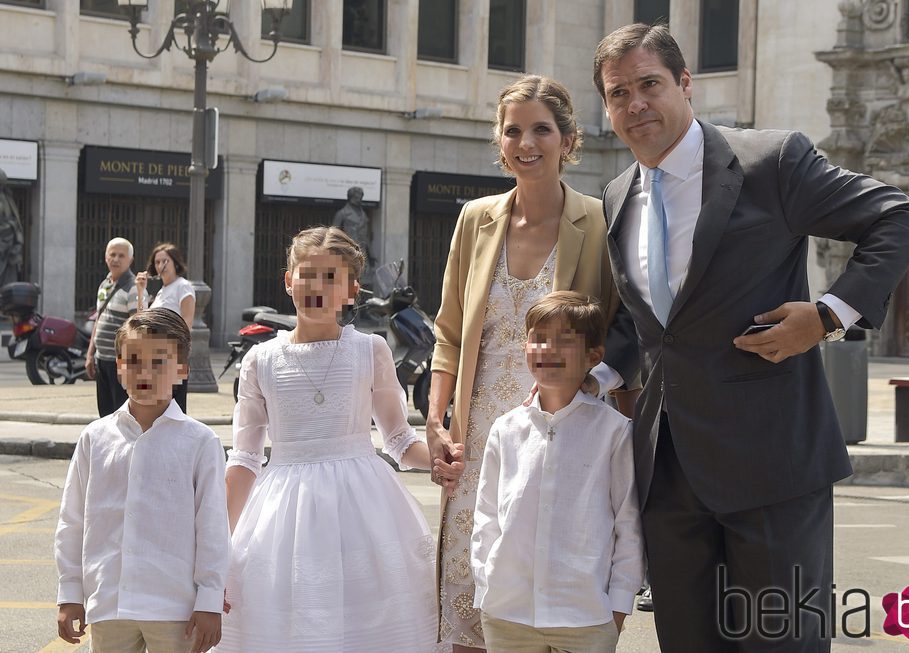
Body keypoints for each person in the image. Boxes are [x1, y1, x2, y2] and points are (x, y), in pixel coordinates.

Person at [593, 23, 909, 652]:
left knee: (783, 643)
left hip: (772, 464)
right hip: (669, 474)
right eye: (618, 93)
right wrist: (593, 375)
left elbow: (899, 218)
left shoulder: (769, 162)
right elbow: (647, 326)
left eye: (649, 84)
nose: (635, 104)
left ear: (685, 84)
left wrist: (826, 315)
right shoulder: (617, 196)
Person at [427, 74, 625, 652]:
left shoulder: (601, 220)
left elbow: (620, 331)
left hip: (563, 432)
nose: (526, 143)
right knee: (466, 597)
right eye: (513, 131)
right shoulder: (475, 218)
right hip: (479, 431)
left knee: (543, 595)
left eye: (542, 129)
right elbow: (448, 333)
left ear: (568, 139)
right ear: (500, 141)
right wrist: (437, 424)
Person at [217, 226, 462, 653]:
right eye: (307, 274)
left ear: (351, 289)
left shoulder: (370, 350)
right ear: (288, 280)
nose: (317, 287)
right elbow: (244, 459)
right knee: (289, 623)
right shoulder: (261, 360)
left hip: (364, 511)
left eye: (331, 277)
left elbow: (400, 441)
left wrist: (438, 458)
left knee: (366, 629)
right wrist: (215, 549)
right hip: (281, 515)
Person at [471, 291, 644, 653]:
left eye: (564, 341)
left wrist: (617, 608)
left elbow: (628, 525)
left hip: (585, 615)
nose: (548, 349)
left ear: (593, 356)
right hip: (508, 613)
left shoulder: (613, 431)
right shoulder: (505, 428)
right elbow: (486, 517)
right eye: (538, 339)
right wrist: (486, 585)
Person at [55, 308, 229, 653]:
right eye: (133, 360)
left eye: (159, 361)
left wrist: (209, 599)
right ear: (119, 366)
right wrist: (70, 592)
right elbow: (72, 521)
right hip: (109, 602)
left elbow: (212, 527)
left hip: (175, 606)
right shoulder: (95, 438)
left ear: (182, 369)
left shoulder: (200, 442)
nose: (144, 372)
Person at [135, 243, 196, 412]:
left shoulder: (183, 286)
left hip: (172, 355)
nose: (161, 265)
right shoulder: (162, 290)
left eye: (165, 261)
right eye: (157, 262)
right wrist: (141, 291)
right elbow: (142, 317)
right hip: (154, 355)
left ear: (175, 262)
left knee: (174, 405)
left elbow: (187, 323)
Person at [86, 238, 139, 417]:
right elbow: (98, 320)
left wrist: (128, 362)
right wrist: (90, 353)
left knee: (121, 413)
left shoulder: (134, 289)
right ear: (106, 257)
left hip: (119, 363)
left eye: (121, 255)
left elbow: (135, 329)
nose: (116, 259)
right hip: (102, 359)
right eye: (112, 254)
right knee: (105, 413)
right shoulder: (105, 285)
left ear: (130, 260)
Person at [332, 186, 372, 278]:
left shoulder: (363, 214)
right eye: (358, 196)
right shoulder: (342, 213)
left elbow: (366, 235)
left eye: (361, 196)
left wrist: (371, 254)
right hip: (348, 251)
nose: (360, 199)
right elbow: (333, 234)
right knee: (349, 278)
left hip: (363, 251)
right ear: (351, 197)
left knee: (365, 281)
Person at [0, 169, 24, 287]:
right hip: (3, 245)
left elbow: (16, 221)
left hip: (10, 248)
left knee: (8, 283)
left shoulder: (8, 199)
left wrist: (12, 227)